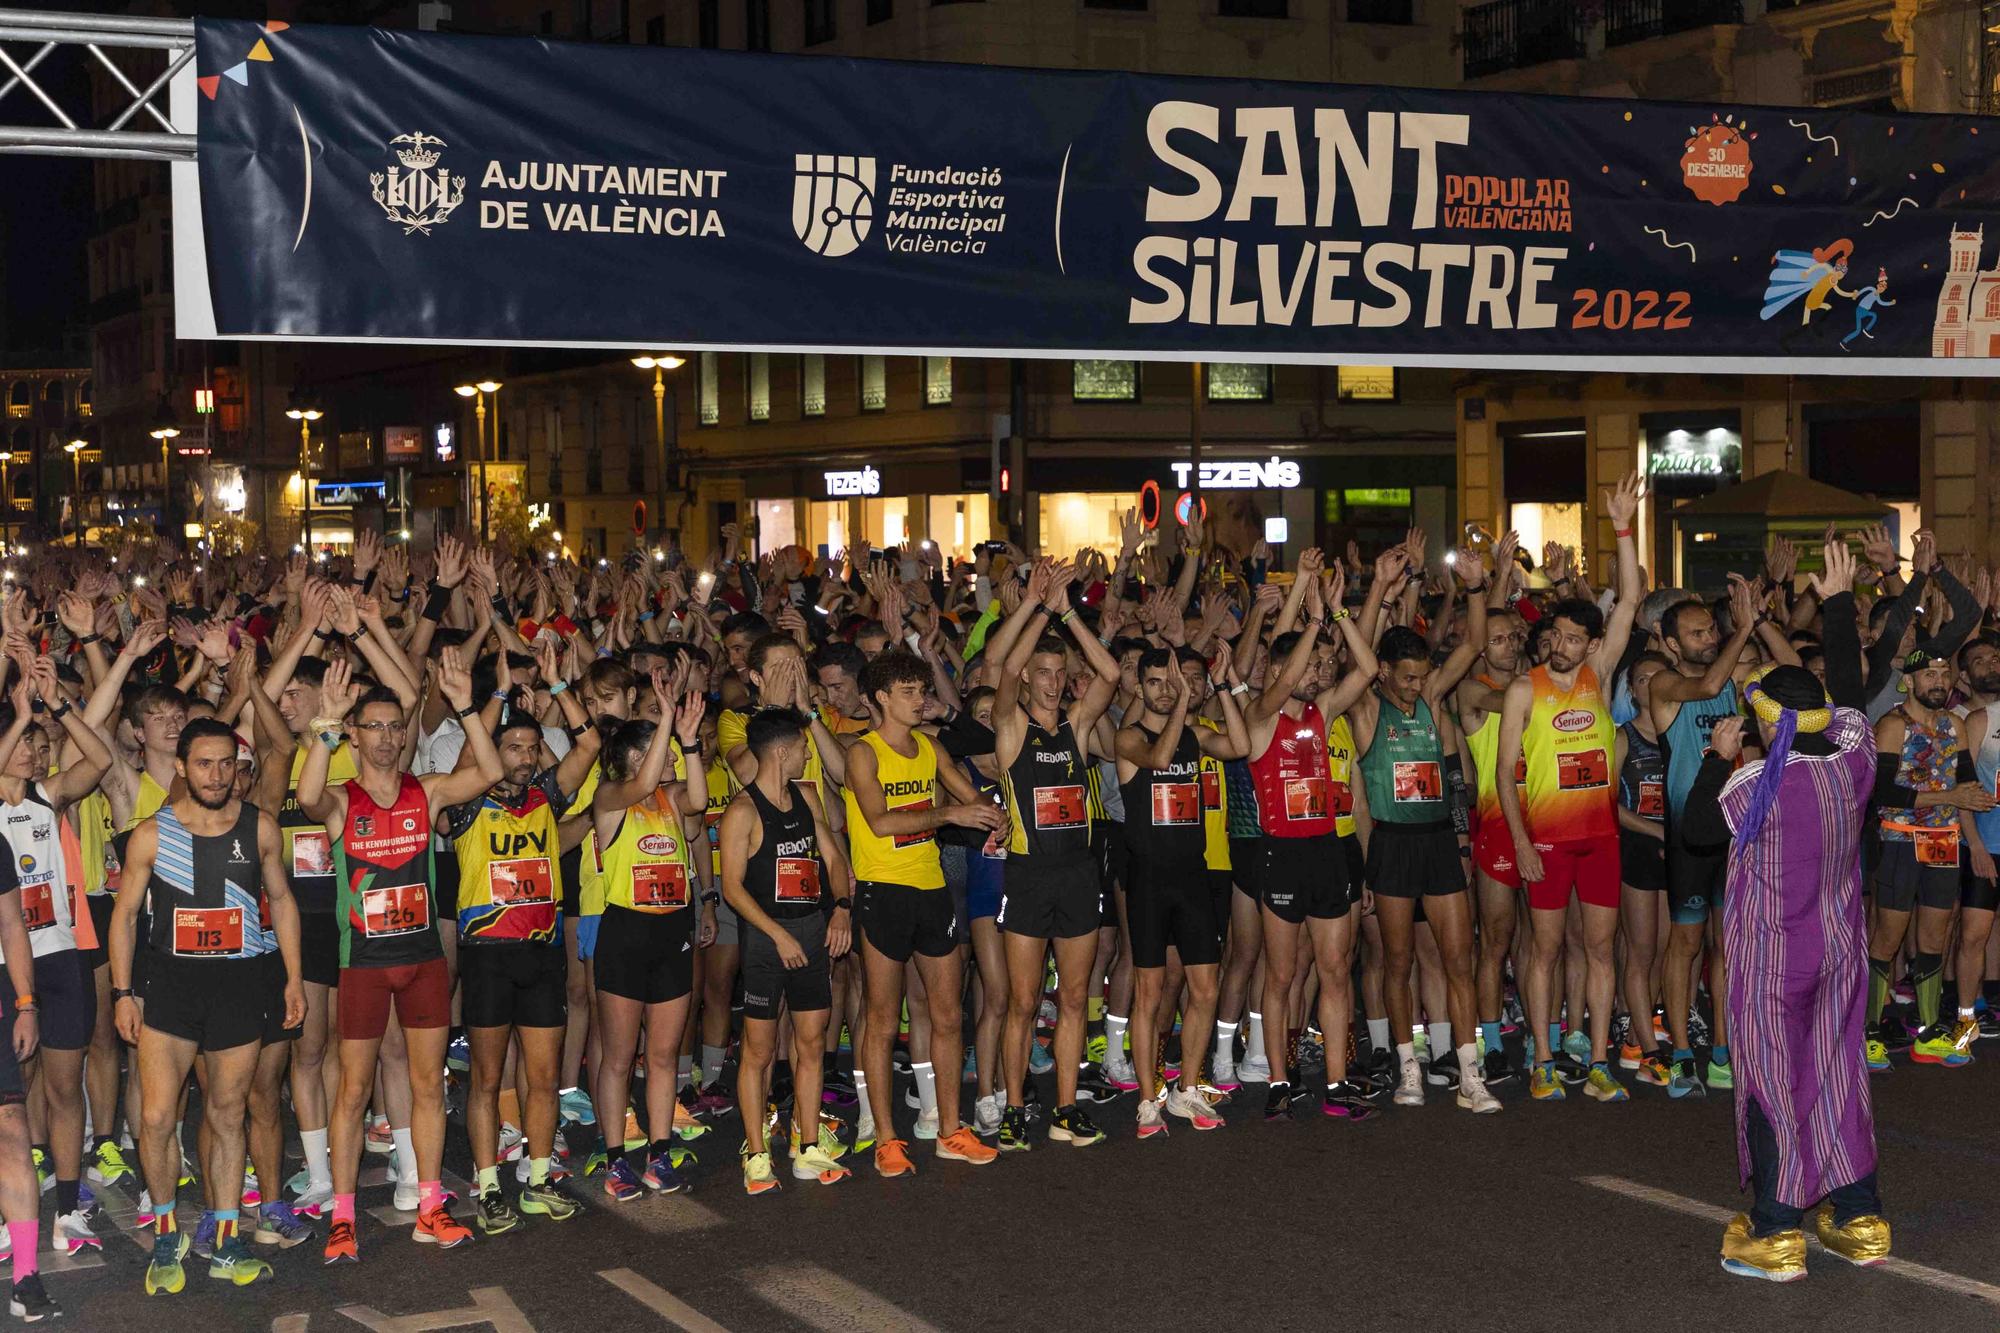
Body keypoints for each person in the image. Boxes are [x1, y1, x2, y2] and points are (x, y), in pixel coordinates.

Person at [1680, 539, 1889, 1282]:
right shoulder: (1853, 768)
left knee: (1770, 1081)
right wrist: (1836, 606)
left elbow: (1695, 831)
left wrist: (1715, 753)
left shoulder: (1746, 789)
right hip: (1838, 955)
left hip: (1774, 965)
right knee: (1837, 1074)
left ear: (1766, 724)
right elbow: (1853, 707)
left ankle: (1775, 1230)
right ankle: (1858, 1212)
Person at [297, 651, 499, 1262]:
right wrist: (324, 726)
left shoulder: (427, 791)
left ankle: (431, 1205)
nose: (385, 739)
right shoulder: (340, 798)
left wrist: (464, 704)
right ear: (355, 737)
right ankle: (343, 1214)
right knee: (353, 1091)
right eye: (373, 728)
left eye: (394, 727)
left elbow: (487, 770)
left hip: (424, 964)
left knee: (427, 1086)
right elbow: (306, 799)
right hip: (362, 963)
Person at [110, 718, 305, 1296]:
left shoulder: (259, 827)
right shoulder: (151, 834)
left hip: (239, 987)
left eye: (226, 763)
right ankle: (167, 1232)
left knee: (227, 1114)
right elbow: (123, 916)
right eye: (204, 764)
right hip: (169, 989)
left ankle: (224, 1238)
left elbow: (283, 899)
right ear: (181, 767)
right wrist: (123, 992)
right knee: (155, 1117)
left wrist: (293, 979)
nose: (217, 775)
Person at [1497, 471, 1642, 1105]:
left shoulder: (1599, 673)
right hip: (1549, 842)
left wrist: (1624, 529)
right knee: (1546, 949)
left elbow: (1632, 600)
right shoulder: (1524, 687)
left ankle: (1602, 1058)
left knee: (1601, 948)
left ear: (1589, 643)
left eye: (1574, 638)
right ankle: (1545, 1056)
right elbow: (1504, 773)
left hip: (1600, 838)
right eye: (1554, 636)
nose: (1562, 645)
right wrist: (1523, 843)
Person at [438, 689, 597, 1236]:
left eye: (533, 748)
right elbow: (466, 757)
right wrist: (484, 701)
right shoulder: (465, 804)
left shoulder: (546, 798)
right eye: (514, 747)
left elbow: (589, 744)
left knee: (546, 1077)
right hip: (486, 955)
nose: (526, 758)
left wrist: (559, 689)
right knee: (484, 1080)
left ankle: (537, 1182)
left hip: (541, 953)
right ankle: (487, 1188)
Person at [845, 650, 1004, 1171]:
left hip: (932, 888)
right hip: (883, 891)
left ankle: (951, 1129)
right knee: (883, 1019)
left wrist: (995, 817)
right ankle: (888, 1137)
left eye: (922, 690)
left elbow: (971, 792)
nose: (921, 700)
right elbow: (879, 821)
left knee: (946, 1015)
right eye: (909, 692)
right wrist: (955, 812)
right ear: (880, 699)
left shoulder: (931, 747)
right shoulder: (863, 754)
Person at [1349, 544, 1493, 1111]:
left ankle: (1468, 1074)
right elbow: (1354, 657)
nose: (1414, 686)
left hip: (1436, 840)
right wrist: (1380, 590)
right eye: (1405, 678)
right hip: (1392, 844)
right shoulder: (1365, 710)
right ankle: (1407, 1068)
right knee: (1398, 962)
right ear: (1384, 672)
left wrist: (1478, 589)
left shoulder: (1433, 701)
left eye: (1420, 676)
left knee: (1460, 960)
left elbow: (1474, 645)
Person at [1242, 550, 1378, 1121]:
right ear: (1277, 673)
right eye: (1310, 668)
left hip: (1327, 850)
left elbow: (1368, 670)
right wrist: (1305, 602)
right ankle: (1278, 1079)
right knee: (1279, 974)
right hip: (1282, 854)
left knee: (1334, 969)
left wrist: (1339, 611)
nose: (1320, 674)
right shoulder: (1260, 715)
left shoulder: (1322, 710)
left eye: (1322, 669)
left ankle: (1337, 1083)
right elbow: (1289, 674)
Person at [990, 559, 1120, 1150]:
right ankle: (1016, 1106)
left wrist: (1069, 612)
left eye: (1058, 672)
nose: (1049, 680)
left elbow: (1111, 672)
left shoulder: (1078, 728)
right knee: (1022, 1002)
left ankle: (1066, 1106)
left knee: (1072, 997)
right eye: (1041, 671)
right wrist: (1039, 604)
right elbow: (1005, 665)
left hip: (1077, 874)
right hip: (1028, 873)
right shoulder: (1012, 728)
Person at [1650, 575, 1798, 1097]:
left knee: (1728, 948)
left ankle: (1721, 1050)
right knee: (1686, 942)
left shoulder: (1739, 678)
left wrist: (1757, 620)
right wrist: (1741, 629)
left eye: (1712, 628)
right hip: (1689, 834)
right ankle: (1681, 1053)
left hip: (1734, 830)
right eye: (1695, 633)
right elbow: (1708, 687)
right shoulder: (1664, 686)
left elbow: (1795, 676)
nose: (1709, 637)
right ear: (1670, 644)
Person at [0, 658, 113, 1260]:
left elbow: (100, 762)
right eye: (24, 744)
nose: (34, 754)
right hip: (6, 968)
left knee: (66, 1088)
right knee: (12, 1094)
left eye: (40, 746)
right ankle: (11, 1204)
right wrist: (21, 715)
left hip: (60, 957)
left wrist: (61, 707)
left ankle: (68, 1207)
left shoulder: (48, 798)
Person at [1113, 645, 1247, 1137]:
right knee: (1150, 993)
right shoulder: (1127, 737)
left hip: (1194, 874)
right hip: (1148, 878)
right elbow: (1160, 756)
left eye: (1172, 682)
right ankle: (1150, 1097)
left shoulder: (1195, 734)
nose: (1166, 690)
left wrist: (1228, 684)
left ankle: (1187, 1088)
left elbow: (1241, 744)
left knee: (1206, 988)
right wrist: (1188, 700)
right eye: (1155, 682)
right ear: (1139, 687)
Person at [720, 707, 856, 1192]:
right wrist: (776, 935)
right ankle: (757, 1154)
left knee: (812, 1042)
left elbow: (834, 857)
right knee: (758, 1051)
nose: (807, 753)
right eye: (802, 747)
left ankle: (807, 1146)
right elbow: (732, 887)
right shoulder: (742, 810)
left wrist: (840, 908)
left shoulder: (805, 796)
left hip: (813, 930)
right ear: (781, 751)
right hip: (766, 940)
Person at [587, 677, 711, 1200]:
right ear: (635, 758)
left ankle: (659, 1152)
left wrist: (689, 742)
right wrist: (663, 719)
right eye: (659, 753)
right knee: (619, 1057)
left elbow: (701, 801)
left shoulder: (671, 797)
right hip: (626, 932)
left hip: (671, 932)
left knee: (662, 1055)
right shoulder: (613, 796)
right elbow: (637, 785)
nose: (670, 765)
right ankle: (617, 1157)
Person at [1866, 649, 1989, 1070]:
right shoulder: (1893, 726)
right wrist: (1950, 797)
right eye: (1929, 674)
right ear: (1909, 681)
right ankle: (1869, 1030)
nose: (1938, 680)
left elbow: (1967, 782)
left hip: (1944, 841)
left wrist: (1974, 795)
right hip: (1901, 840)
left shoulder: (1954, 725)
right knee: (1888, 938)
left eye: (1944, 673)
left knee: (1934, 940)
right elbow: (1882, 792)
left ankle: (1932, 1030)